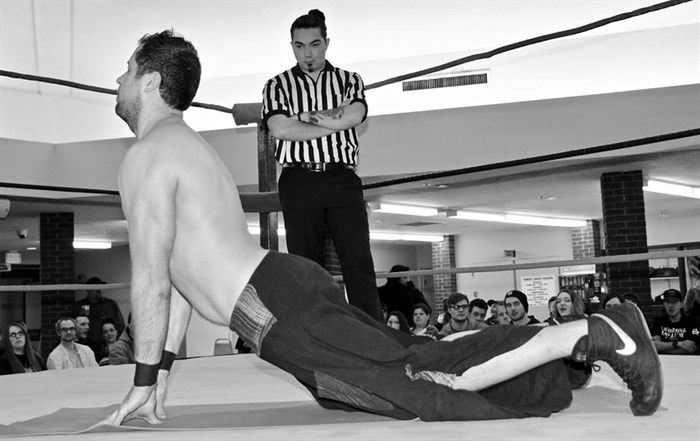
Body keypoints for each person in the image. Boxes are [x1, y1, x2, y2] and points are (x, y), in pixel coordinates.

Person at [103, 30, 662, 426]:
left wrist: (143, 381)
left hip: (274, 306)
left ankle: (596, 333)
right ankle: (561, 362)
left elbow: (150, 280)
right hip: (278, 292)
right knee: (390, 367)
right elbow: (176, 283)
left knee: (421, 381)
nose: (119, 80)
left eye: (127, 71)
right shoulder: (182, 148)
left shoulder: (149, 156)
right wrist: (161, 379)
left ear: (151, 80)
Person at [261, 9, 381, 321]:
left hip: (341, 179)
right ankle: (312, 340)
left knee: (358, 264)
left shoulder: (349, 80)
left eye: (314, 44)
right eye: (299, 46)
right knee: (305, 268)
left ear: (326, 42)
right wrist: (333, 120)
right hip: (299, 181)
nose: (307, 53)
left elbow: (354, 116)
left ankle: (375, 339)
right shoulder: (277, 85)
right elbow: (280, 129)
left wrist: (299, 116)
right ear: (292, 46)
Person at [73, 277, 126, 342]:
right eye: (96, 288)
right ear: (88, 290)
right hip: (86, 343)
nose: (99, 290)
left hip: (107, 343)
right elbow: (73, 326)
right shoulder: (79, 306)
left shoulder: (110, 304)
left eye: (101, 287)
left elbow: (120, 325)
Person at [650, 289, 699, 355]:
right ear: (664, 305)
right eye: (668, 302)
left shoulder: (691, 322)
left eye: (674, 302)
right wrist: (678, 344)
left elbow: (690, 349)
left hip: (687, 362)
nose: (671, 305)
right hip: (665, 362)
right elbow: (653, 347)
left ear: (681, 304)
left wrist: (662, 348)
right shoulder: (659, 322)